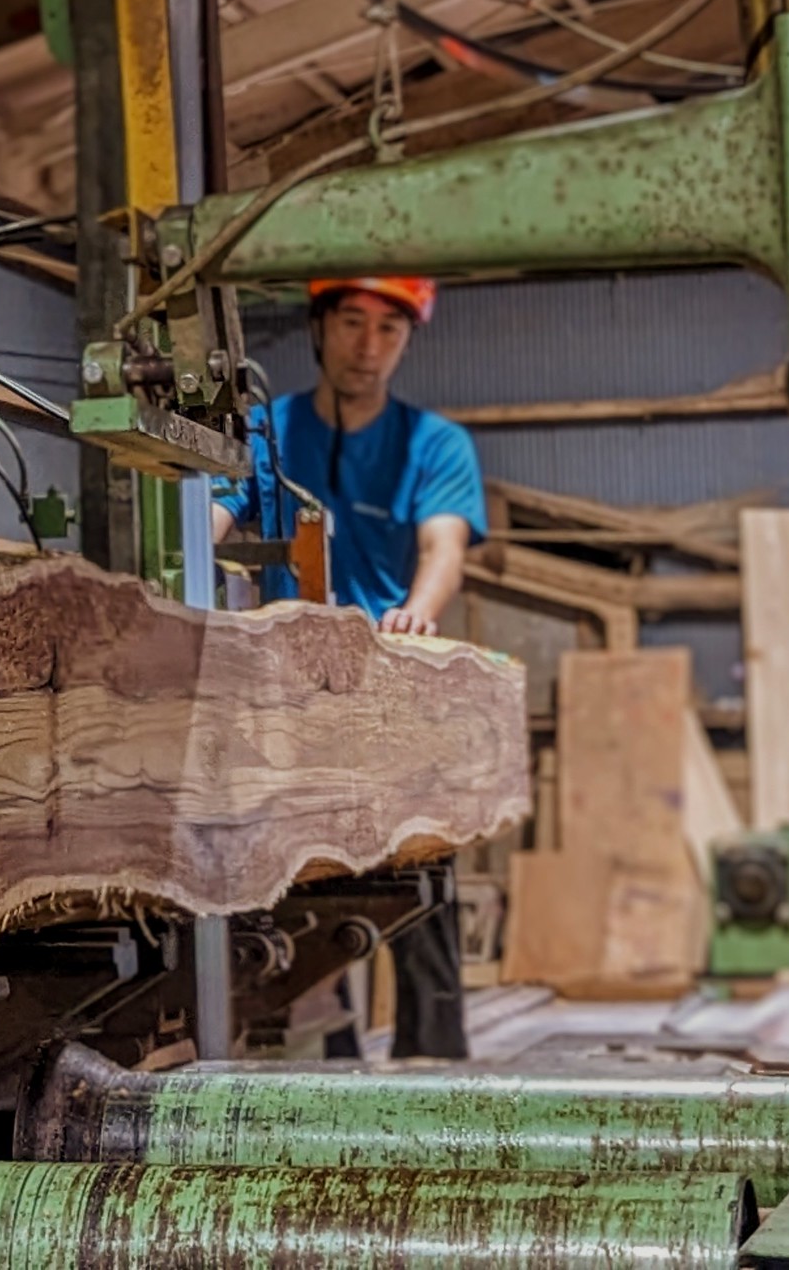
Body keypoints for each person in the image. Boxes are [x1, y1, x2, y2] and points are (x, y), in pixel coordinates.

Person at [212, 276, 487, 1059]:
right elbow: (216, 515)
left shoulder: (434, 444)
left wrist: (418, 610)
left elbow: (444, 548)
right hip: (289, 705)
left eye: (388, 331)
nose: (368, 347)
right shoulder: (267, 431)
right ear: (320, 327)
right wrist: (180, 556)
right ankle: (324, 1082)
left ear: (406, 341)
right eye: (353, 323)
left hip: (395, 694)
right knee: (301, 906)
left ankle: (437, 1077)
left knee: (419, 892)